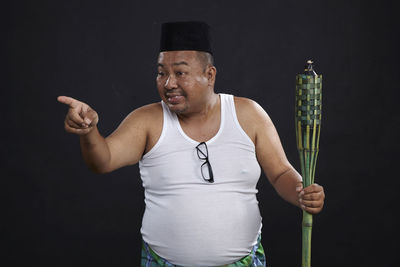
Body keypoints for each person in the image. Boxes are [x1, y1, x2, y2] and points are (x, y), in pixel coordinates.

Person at [58, 21, 325, 267]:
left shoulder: (248, 114)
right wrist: (89, 131)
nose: (168, 83)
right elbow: (102, 161)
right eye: (161, 73)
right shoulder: (147, 120)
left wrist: (301, 192)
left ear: (209, 75)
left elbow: (280, 173)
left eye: (180, 73)